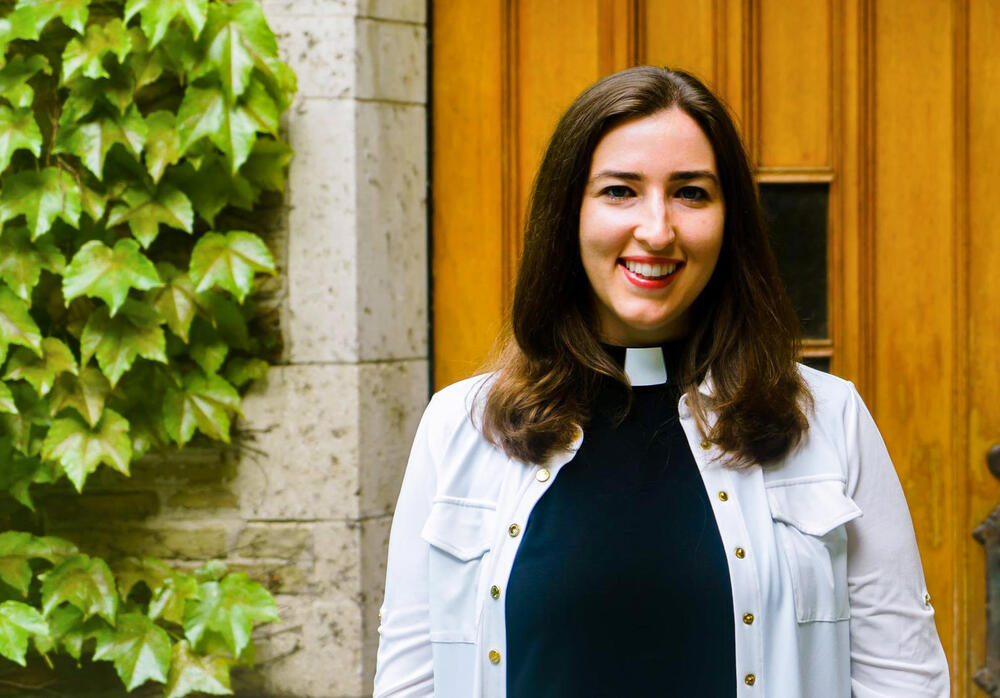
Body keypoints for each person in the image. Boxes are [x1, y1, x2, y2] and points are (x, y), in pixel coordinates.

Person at [373, 66, 949, 697]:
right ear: (567, 214)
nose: (657, 229)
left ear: (731, 221)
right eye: (620, 191)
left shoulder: (826, 419)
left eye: (692, 193)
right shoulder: (459, 427)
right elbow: (411, 683)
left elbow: (904, 680)